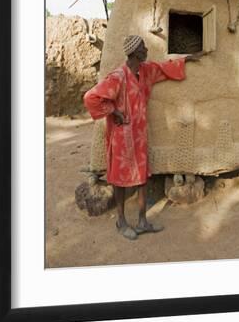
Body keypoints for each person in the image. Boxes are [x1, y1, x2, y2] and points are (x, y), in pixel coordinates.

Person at [83, 35, 206, 240]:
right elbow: (91, 97)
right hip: (122, 137)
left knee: (141, 178)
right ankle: (121, 221)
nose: (147, 50)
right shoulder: (118, 77)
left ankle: (142, 221)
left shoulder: (144, 71)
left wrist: (187, 59)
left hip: (139, 136)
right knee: (120, 181)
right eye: (143, 47)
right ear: (135, 53)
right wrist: (114, 111)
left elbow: (163, 68)